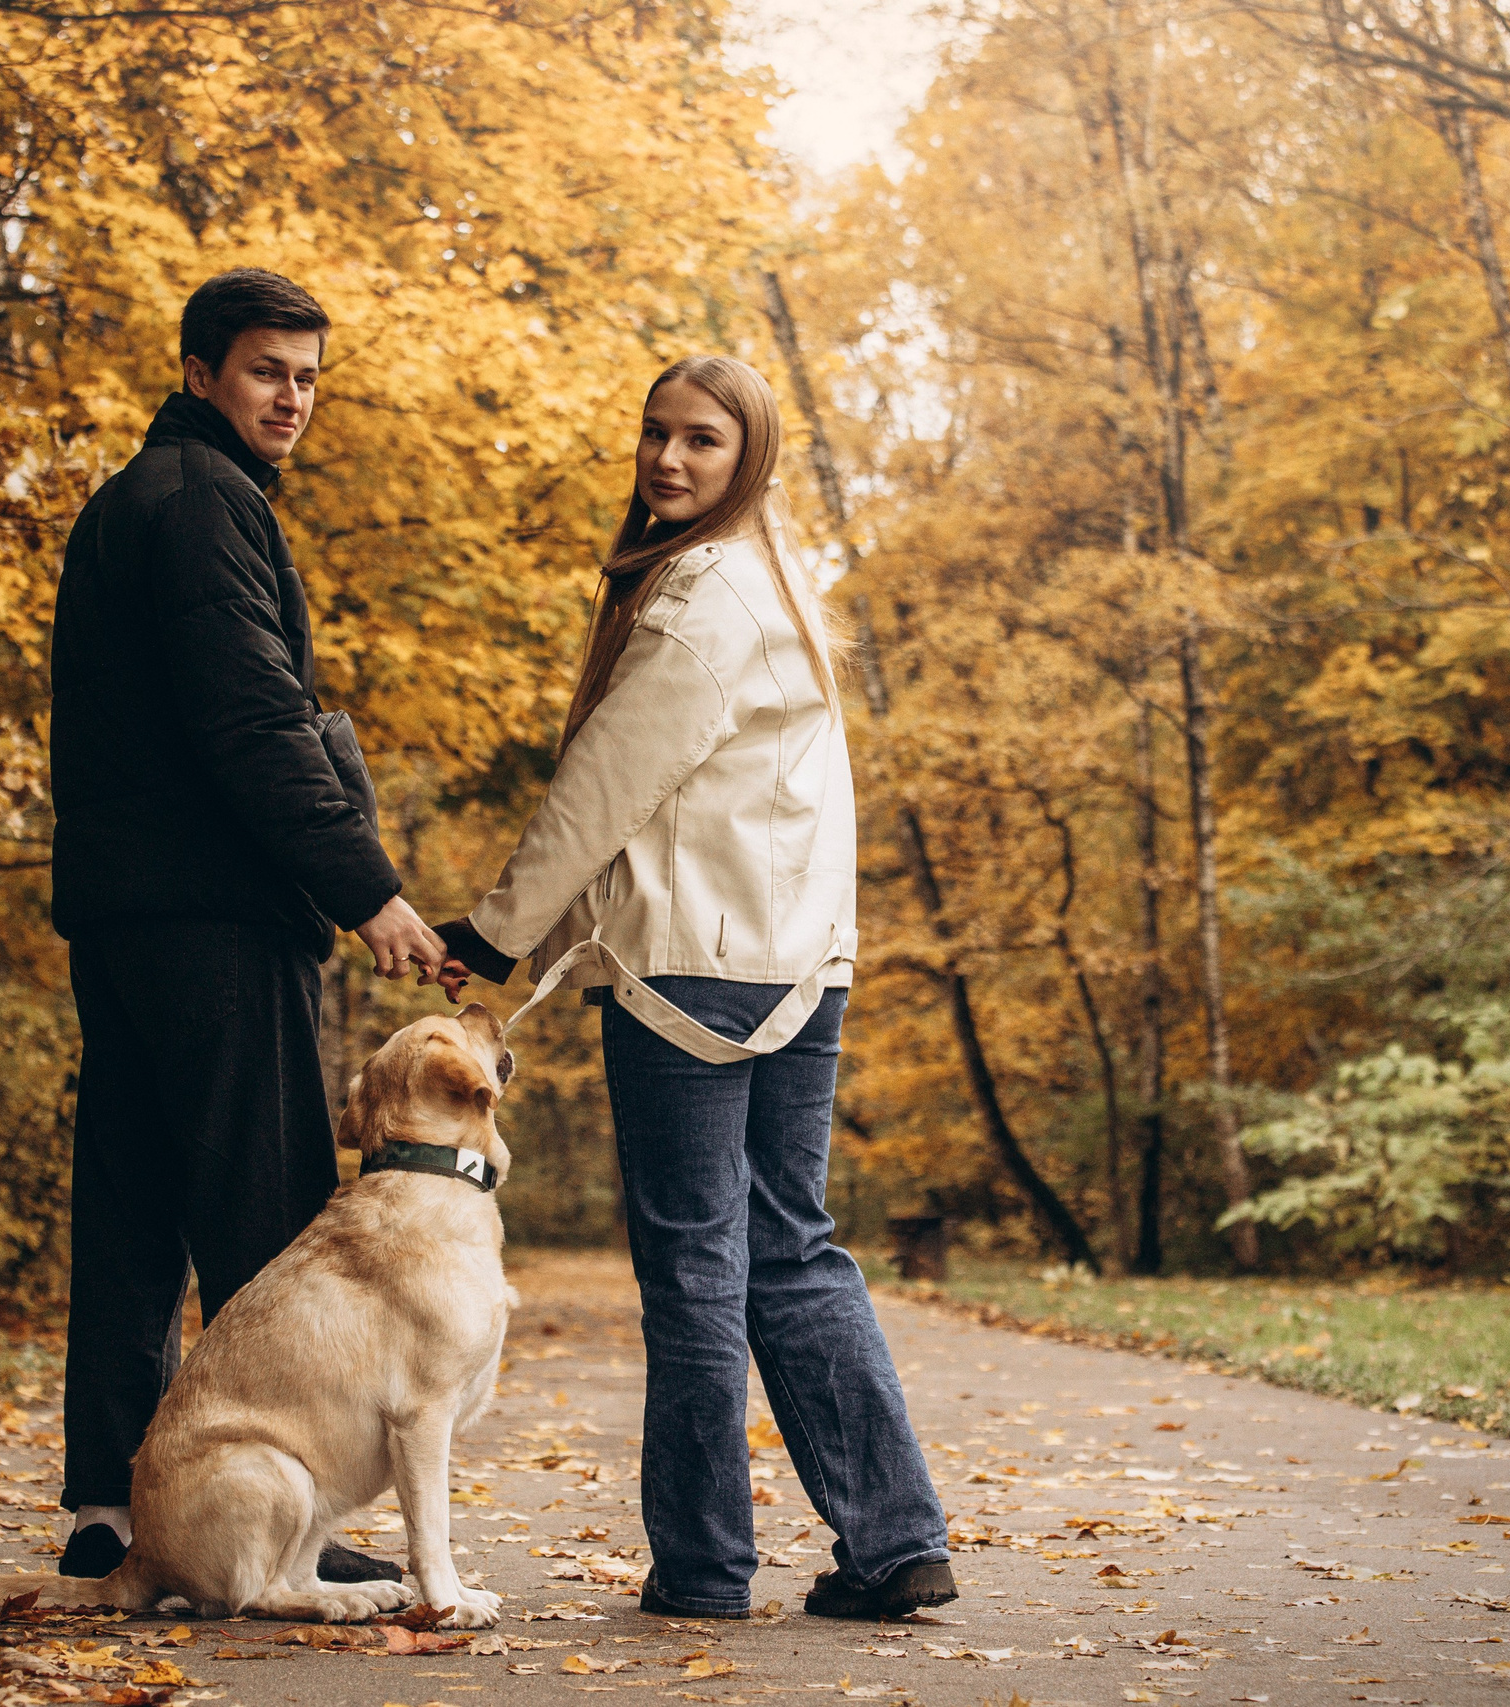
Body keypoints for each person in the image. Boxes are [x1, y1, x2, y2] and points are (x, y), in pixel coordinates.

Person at [433, 356, 955, 1621]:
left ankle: (708, 1569)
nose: (669, 460)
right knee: (790, 1245)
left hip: (691, 980)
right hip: (799, 969)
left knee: (697, 1270)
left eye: (703, 442)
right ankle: (894, 1542)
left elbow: (598, 793)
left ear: (750, 459)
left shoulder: (698, 601)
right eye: (657, 436)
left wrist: (495, 938)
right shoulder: (783, 584)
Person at [46, 268, 446, 1582]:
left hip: (126, 913)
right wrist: (364, 887)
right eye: (272, 370)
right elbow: (253, 722)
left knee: (131, 1203)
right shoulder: (207, 503)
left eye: (311, 377)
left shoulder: (128, 502)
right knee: (267, 1220)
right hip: (215, 913)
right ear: (205, 369)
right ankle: (288, 1527)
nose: (294, 398)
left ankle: (114, 1507)